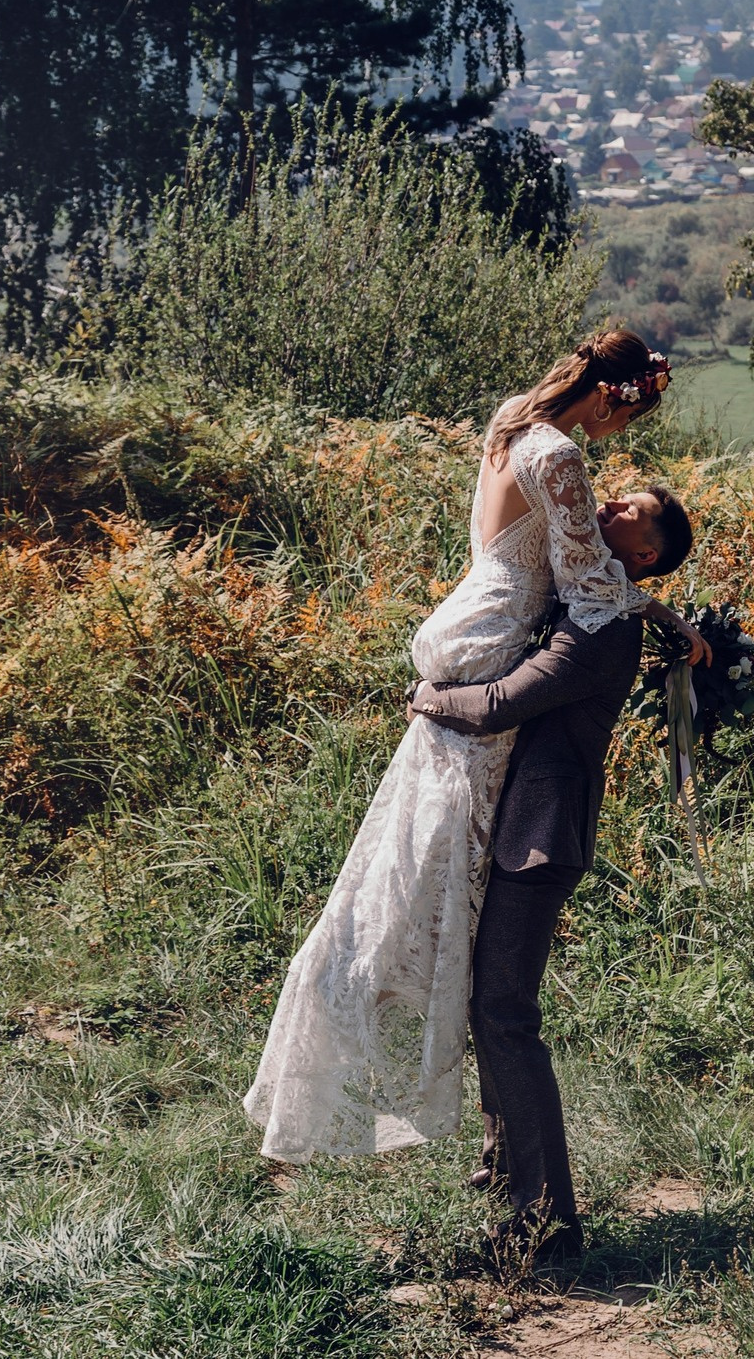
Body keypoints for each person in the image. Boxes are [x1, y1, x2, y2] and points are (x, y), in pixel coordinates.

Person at [244, 332, 710, 1163]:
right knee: (435, 894)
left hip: (468, 617)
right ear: (607, 399)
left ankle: (478, 1131)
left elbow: (585, 568)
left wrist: (646, 603)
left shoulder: (511, 419)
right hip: (492, 652)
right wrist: (661, 611)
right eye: (622, 424)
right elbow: (588, 584)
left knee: (408, 879)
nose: (613, 452)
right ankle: (397, 1068)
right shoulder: (562, 453)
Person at [408, 484, 695, 1268]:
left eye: (628, 509)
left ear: (643, 552)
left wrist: (429, 695)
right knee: (487, 1005)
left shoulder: (602, 631)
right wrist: (672, 616)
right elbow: (584, 570)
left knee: (504, 1013)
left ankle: (548, 1230)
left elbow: (503, 702)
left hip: (539, 838)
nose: (609, 506)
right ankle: (510, 1178)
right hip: (521, 828)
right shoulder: (605, 600)